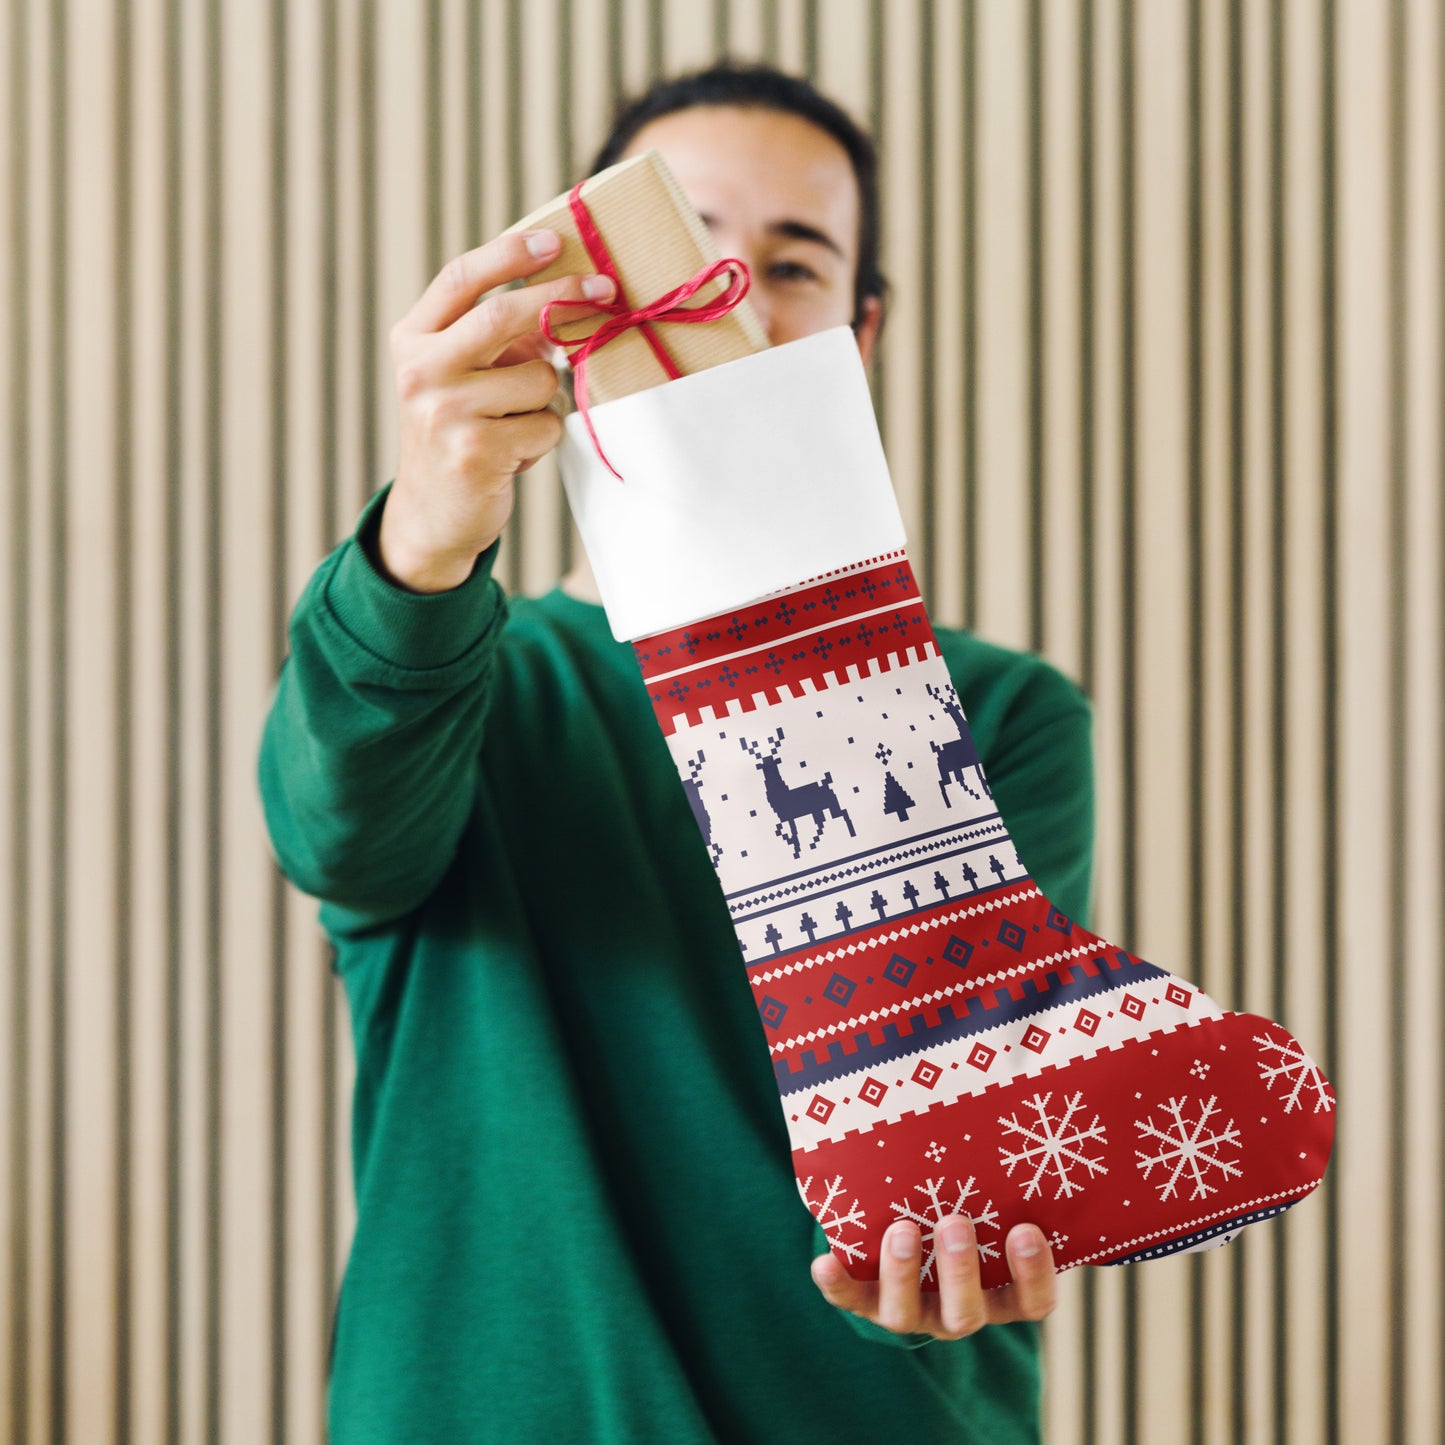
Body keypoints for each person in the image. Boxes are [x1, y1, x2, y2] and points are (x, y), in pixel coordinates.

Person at [260, 61, 1093, 1445]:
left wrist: (974, 1225)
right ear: (575, 297)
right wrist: (424, 532)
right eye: (683, 248)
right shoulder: (455, 671)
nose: (732, 304)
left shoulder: (998, 713)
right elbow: (331, 829)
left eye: (793, 265)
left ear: (857, 336)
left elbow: (970, 1129)